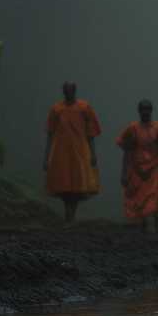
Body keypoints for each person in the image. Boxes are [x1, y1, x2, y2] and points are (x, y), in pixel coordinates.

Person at [44, 82, 102, 224]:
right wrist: (47, 156)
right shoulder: (56, 109)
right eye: (66, 91)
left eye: (70, 91)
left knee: (77, 184)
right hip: (61, 151)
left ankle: (71, 216)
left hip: (80, 150)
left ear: (75, 91)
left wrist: (93, 154)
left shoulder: (84, 108)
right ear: (63, 92)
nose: (68, 93)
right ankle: (68, 215)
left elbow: (90, 133)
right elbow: (50, 133)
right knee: (64, 184)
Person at [115, 100, 158, 233]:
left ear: (151, 111)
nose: (145, 112)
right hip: (136, 169)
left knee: (152, 199)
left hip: (154, 169)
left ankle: (151, 228)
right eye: (143, 109)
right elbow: (127, 151)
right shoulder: (132, 128)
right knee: (137, 201)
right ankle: (143, 228)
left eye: (148, 109)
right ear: (139, 111)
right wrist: (124, 172)